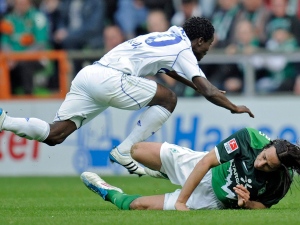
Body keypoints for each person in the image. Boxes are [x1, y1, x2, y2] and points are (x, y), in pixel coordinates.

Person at [0, 17, 254, 177]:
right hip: (111, 79)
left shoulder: (171, 34)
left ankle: (4, 121)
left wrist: (197, 86)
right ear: (198, 40)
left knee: (55, 134)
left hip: (89, 74)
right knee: (168, 99)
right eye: (206, 47)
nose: (206, 52)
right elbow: (208, 89)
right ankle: (124, 151)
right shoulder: (184, 49)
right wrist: (233, 106)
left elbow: (166, 69)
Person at [80, 127, 300, 210]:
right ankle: (160, 171)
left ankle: (108, 192)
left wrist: (246, 203)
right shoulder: (248, 138)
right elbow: (206, 162)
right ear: (266, 146)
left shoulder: (281, 183)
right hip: (205, 168)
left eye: (267, 166)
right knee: (137, 151)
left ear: (280, 169)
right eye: (263, 157)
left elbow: (262, 206)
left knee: (138, 205)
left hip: (213, 201)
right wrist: (180, 202)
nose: (259, 163)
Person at [0, 0, 50, 94]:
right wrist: (9, 57)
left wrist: (18, 58)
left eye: (24, 3)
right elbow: (5, 43)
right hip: (12, 59)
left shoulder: (38, 17)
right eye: (19, 3)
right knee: (4, 66)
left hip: (36, 58)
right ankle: (7, 98)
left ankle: (29, 96)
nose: (21, 5)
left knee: (24, 64)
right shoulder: (8, 19)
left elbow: (40, 44)